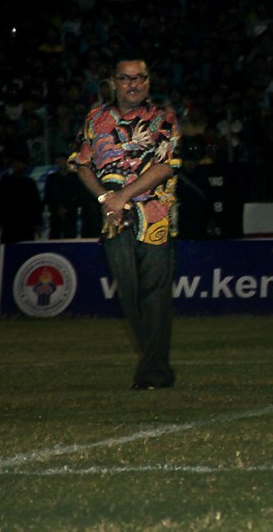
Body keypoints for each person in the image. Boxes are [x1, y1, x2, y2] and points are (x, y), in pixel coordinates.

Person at [70, 57, 182, 391]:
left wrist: (123, 196)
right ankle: (153, 366)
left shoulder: (163, 117)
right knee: (130, 298)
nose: (133, 84)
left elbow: (166, 166)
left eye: (140, 78)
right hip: (113, 221)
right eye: (125, 78)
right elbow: (81, 164)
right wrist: (107, 199)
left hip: (155, 219)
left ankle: (154, 372)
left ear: (148, 81)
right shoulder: (96, 118)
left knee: (156, 297)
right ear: (113, 82)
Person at [0, 150, 42, 243]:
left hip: (27, 222)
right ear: (12, 165)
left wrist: (37, 223)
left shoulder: (30, 182)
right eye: (16, 163)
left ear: (25, 166)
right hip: (9, 221)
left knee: (26, 247)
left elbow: (36, 204)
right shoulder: (5, 182)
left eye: (21, 163)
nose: (19, 166)